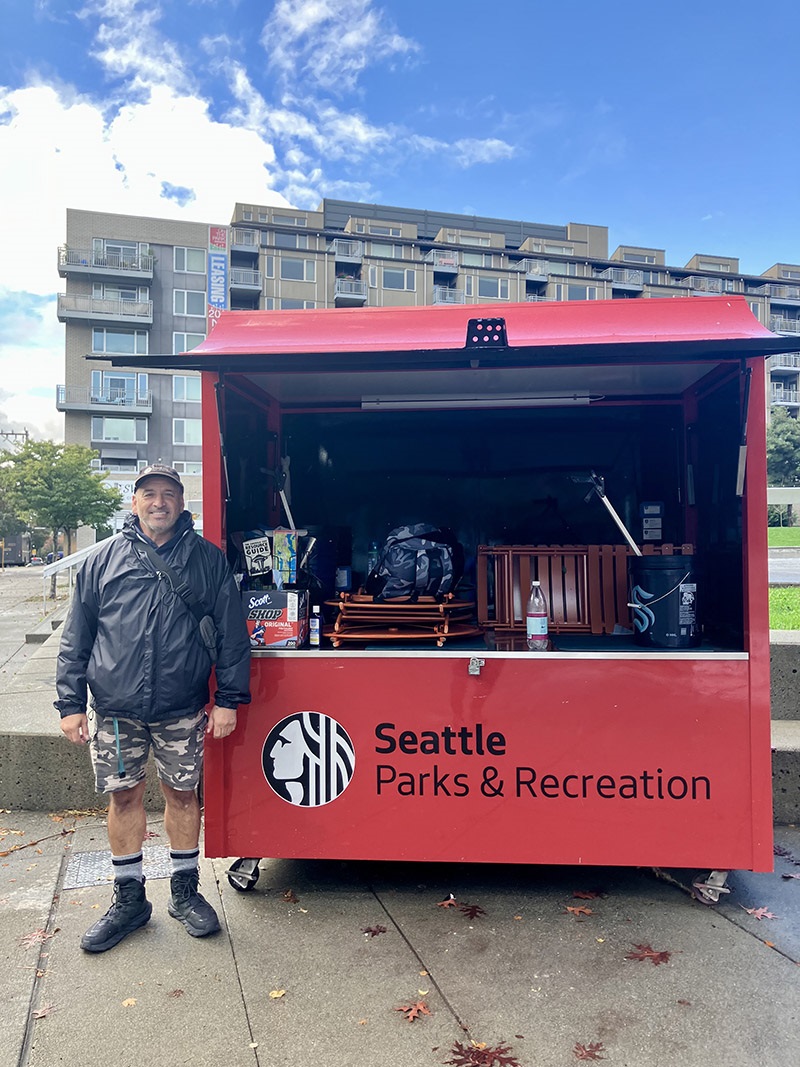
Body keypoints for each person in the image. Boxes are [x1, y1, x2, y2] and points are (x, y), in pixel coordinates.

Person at [55, 464, 251, 953]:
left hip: (181, 707)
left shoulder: (208, 560)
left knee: (183, 796)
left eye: (168, 494)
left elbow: (231, 635)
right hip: (117, 711)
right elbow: (77, 637)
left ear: (182, 503)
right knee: (123, 799)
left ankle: (185, 892)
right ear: (135, 501)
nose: (158, 502)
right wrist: (70, 703)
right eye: (149, 494)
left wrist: (227, 699)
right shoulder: (101, 561)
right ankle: (129, 900)